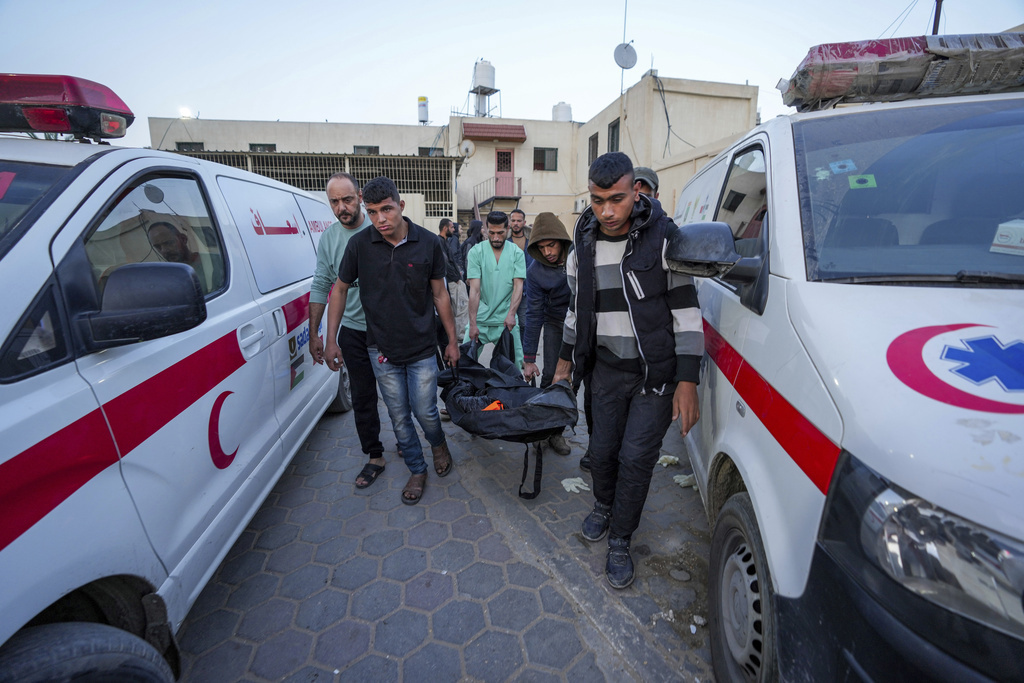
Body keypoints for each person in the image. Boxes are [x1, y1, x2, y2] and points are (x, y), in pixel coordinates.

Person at [553, 152, 702, 589]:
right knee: (600, 453)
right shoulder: (582, 240)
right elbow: (575, 308)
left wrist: (687, 380)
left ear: (636, 190)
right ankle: (602, 506)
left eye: (616, 199)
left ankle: (621, 537)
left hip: (654, 375)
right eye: (597, 201)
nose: (607, 211)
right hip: (603, 371)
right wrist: (563, 363)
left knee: (635, 460)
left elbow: (687, 311)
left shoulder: (664, 237)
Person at [324, 176, 459, 506]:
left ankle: (438, 443)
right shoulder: (359, 246)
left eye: (386, 209)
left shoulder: (429, 243)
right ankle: (417, 467)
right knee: (398, 416)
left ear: (401, 205)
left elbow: (440, 295)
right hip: (380, 350)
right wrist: (331, 339)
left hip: (423, 348)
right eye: (372, 212)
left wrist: (452, 342)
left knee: (425, 412)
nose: (380, 219)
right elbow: (339, 288)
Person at [308, 173, 386, 489]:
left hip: (387, 330)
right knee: (364, 397)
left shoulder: (381, 227)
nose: (342, 207)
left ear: (361, 196)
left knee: (399, 396)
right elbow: (322, 285)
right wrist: (318, 335)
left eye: (348, 199)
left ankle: (411, 447)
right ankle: (375, 456)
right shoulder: (329, 240)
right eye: (335, 202)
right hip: (353, 332)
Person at [521, 212, 573, 456]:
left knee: (577, 382)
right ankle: (548, 430)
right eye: (541, 248)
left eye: (551, 245)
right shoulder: (534, 271)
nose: (548, 252)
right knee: (551, 377)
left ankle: (565, 431)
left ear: (561, 240)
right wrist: (529, 358)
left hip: (583, 324)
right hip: (555, 324)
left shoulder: (579, 258)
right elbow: (533, 314)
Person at [465, 210, 526, 368]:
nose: (496, 237)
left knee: (517, 364)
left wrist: (512, 314)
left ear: (507, 229)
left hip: (506, 319)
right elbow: (475, 290)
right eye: (492, 233)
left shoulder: (517, 253)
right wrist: (472, 323)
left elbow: (518, 286)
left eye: (500, 233)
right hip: (480, 318)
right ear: (485, 230)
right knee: (464, 363)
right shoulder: (476, 252)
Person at [146, 220, 224, 293]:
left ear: (183, 239)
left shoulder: (218, 262)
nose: (164, 250)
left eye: (168, 243)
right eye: (158, 247)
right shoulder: (165, 278)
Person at [439, 218, 469, 335]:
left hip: (454, 279)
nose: (454, 229)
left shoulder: (447, 241)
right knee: (459, 307)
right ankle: (460, 334)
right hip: (451, 281)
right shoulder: (440, 242)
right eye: (452, 227)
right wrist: (456, 278)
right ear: (445, 228)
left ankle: (459, 333)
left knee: (460, 307)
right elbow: (445, 263)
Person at [508, 208, 533, 347]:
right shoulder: (505, 243)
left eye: (519, 220)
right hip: (508, 290)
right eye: (513, 220)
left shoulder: (531, 243)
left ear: (524, 222)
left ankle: (523, 354)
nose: (516, 223)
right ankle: (508, 353)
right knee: (507, 323)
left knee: (524, 323)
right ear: (509, 222)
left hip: (526, 290)